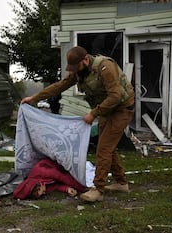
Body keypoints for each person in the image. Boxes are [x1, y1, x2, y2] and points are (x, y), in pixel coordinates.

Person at [21, 46, 135, 202]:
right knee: (108, 147)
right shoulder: (80, 72)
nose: (74, 71)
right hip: (107, 110)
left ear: (86, 60)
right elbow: (59, 86)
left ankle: (98, 190)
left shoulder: (104, 67)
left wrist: (93, 113)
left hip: (122, 108)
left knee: (103, 148)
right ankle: (121, 183)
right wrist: (35, 98)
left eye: (76, 67)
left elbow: (116, 96)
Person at [13, 158, 87, 200]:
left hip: (60, 162)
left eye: (42, 191)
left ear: (38, 186)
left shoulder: (43, 172)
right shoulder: (42, 185)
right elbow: (55, 187)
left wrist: (82, 188)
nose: (45, 192)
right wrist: (67, 189)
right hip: (61, 170)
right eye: (43, 194)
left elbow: (64, 178)